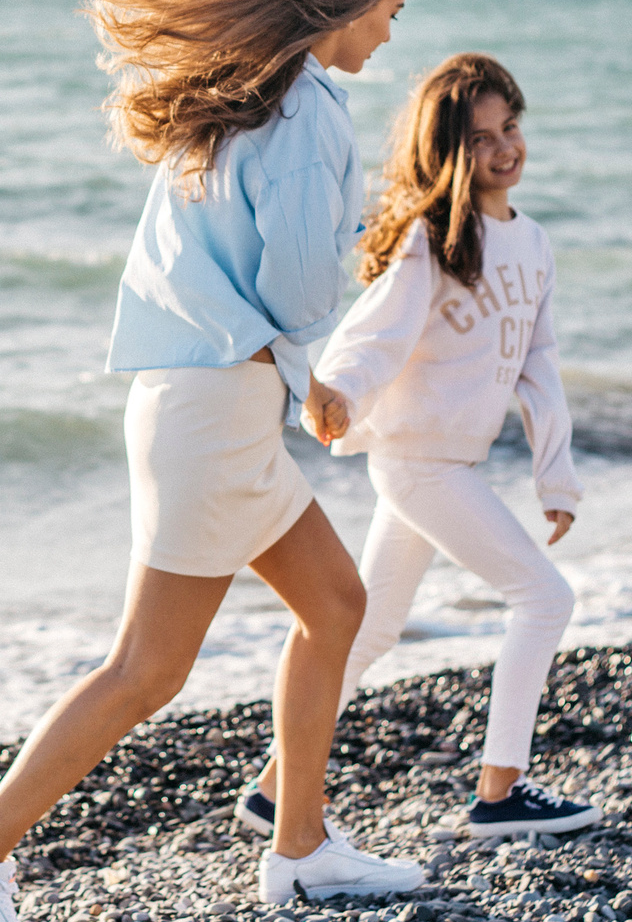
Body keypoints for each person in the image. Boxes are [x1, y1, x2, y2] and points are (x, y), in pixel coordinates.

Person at [0, 0, 431, 922]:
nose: (390, 33)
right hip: (216, 417)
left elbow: (229, 284)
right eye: (391, 8)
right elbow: (289, 278)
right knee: (148, 668)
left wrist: (305, 376)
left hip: (207, 399)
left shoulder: (245, 99)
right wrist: (342, 269)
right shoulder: (304, 110)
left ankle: (303, 849)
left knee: (335, 605)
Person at [233, 51, 599, 844]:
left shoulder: (531, 243)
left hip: (450, 464)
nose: (505, 148)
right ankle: (501, 792)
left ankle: (272, 789)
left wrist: (555, 476)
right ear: (445, 150)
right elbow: (375, 335)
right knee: (546, 598)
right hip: (416, 463)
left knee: (369, 630)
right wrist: (332, 394)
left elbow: (539, 363)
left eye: (512, 128)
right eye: (480, 137)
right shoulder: (433, 241)